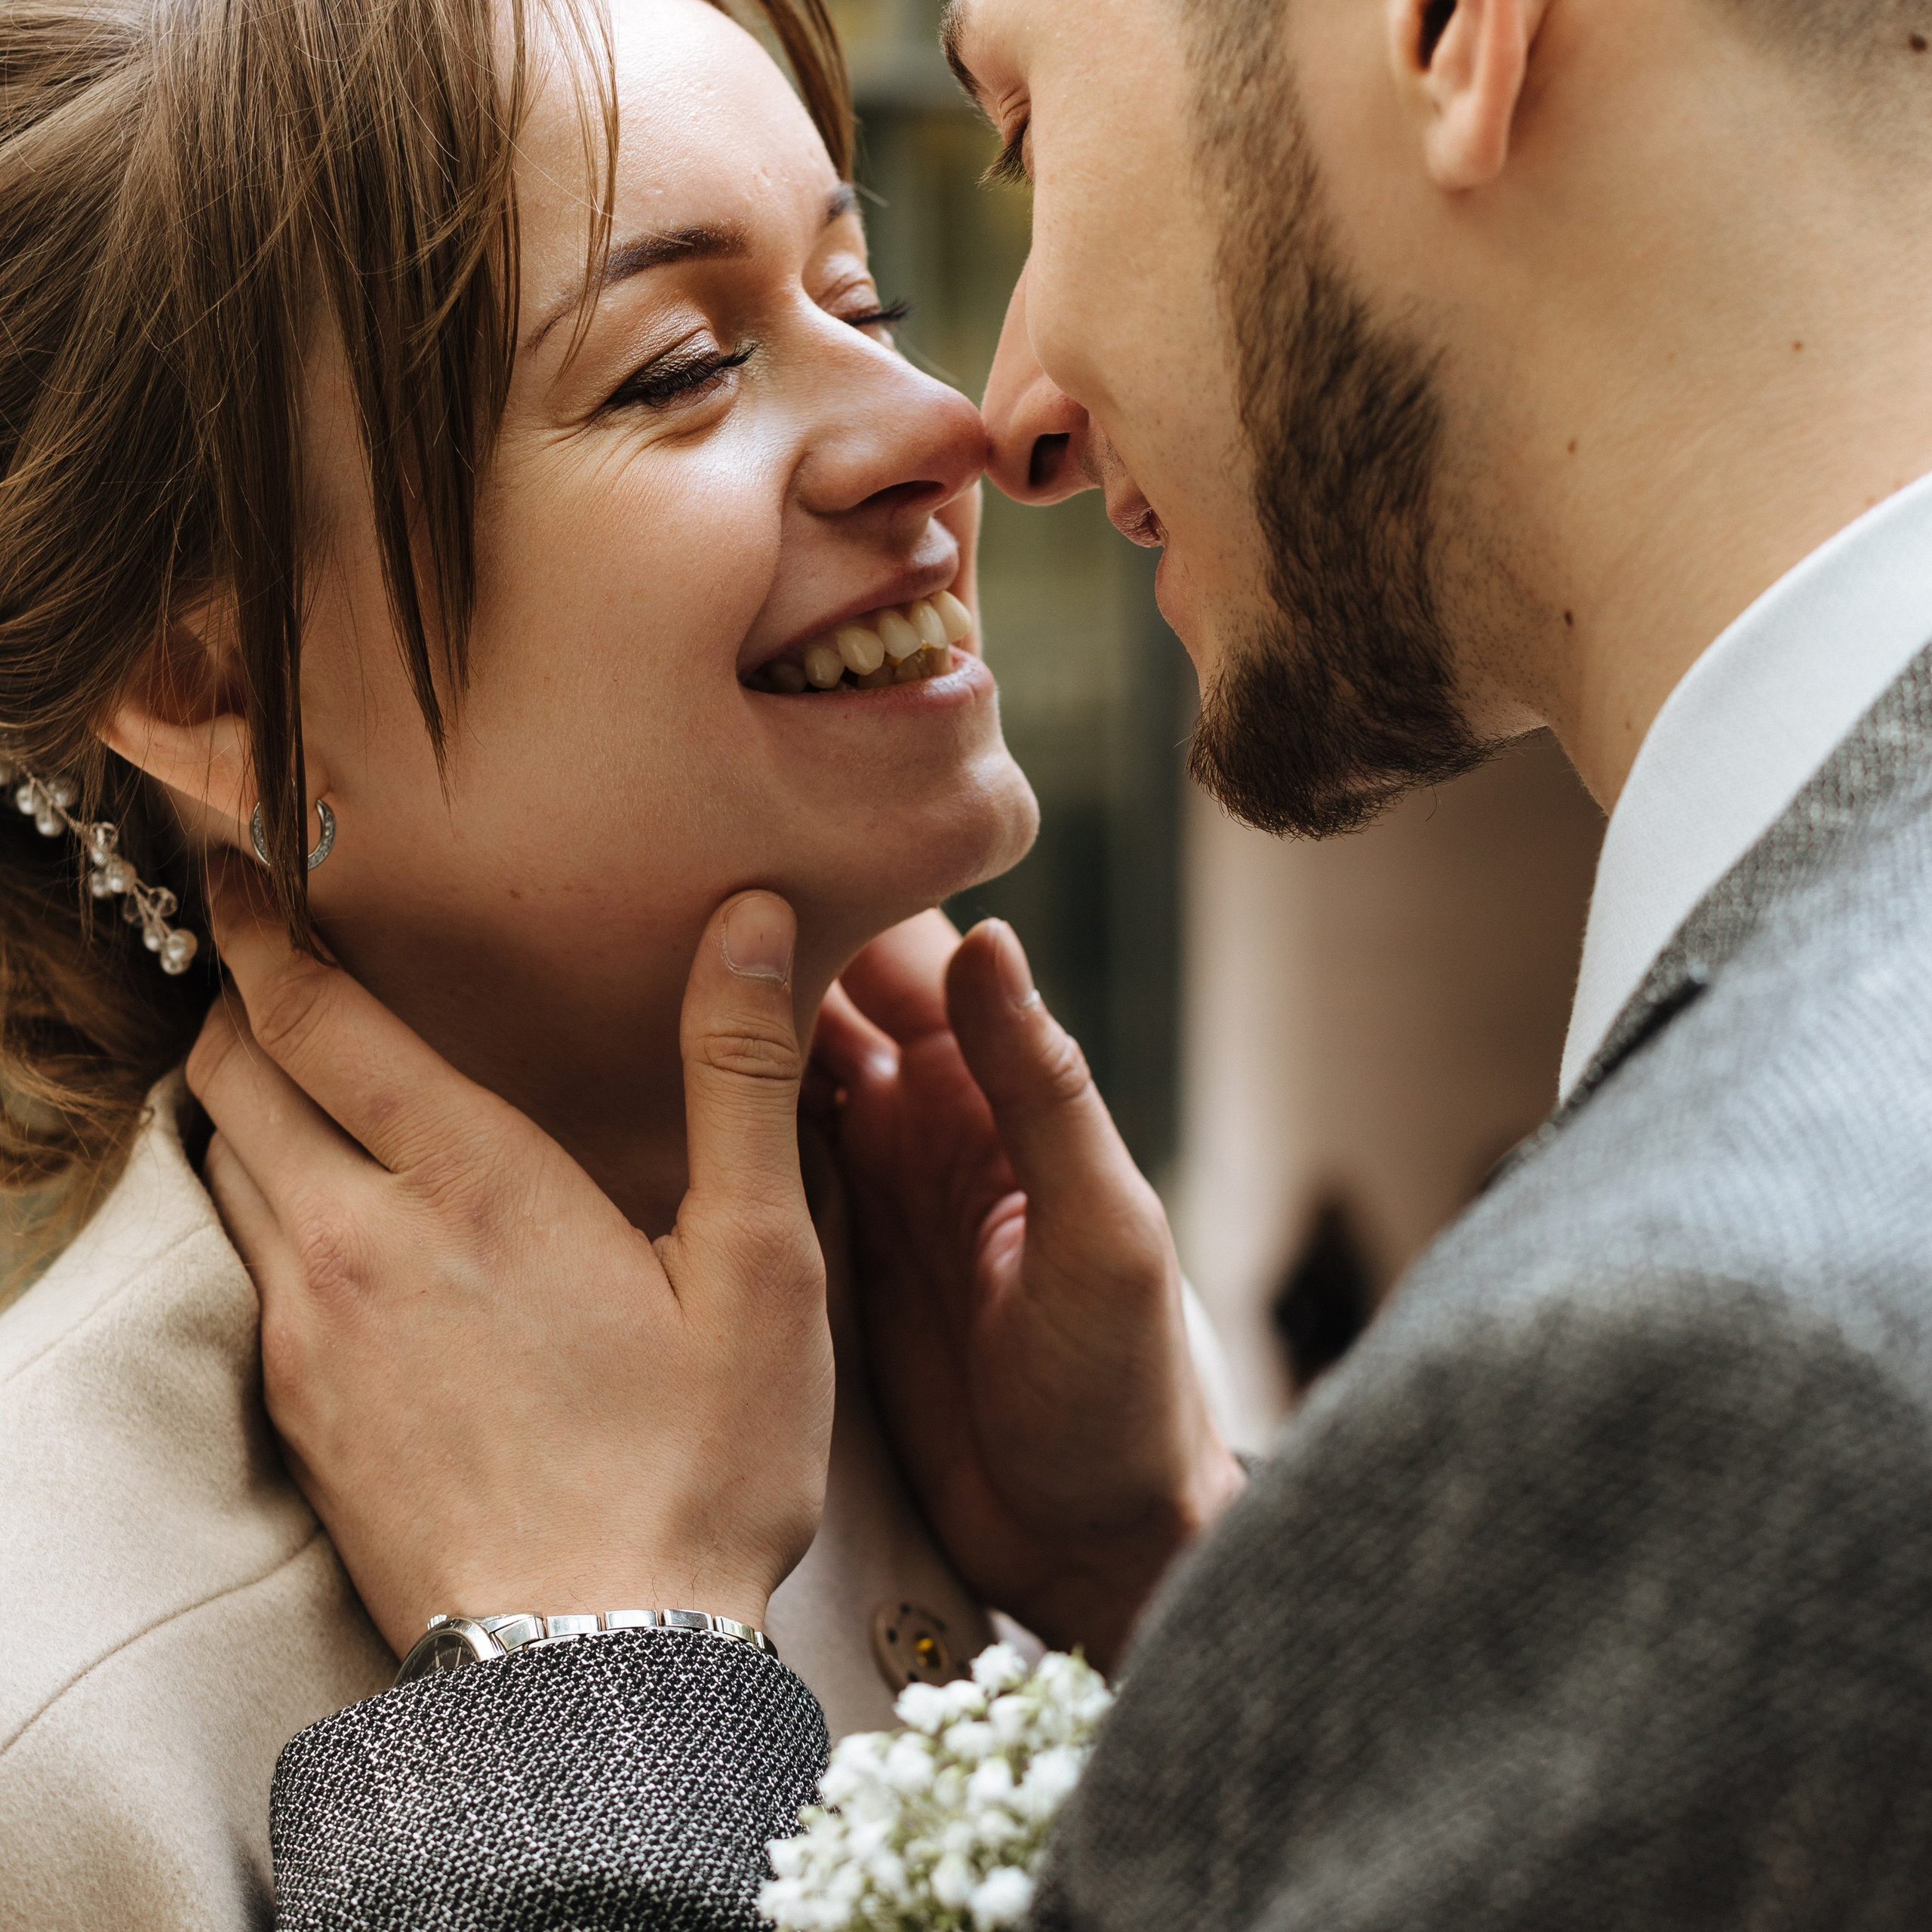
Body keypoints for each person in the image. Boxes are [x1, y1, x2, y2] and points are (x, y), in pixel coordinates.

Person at [141, 0, 1932, 1922]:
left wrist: (573, 1695)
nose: (985, 422)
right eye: (675, 365)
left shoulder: (1743, 1343)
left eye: (1022, 135)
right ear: (209, 681)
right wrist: (1186, 1568)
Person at [0, 0, 1241, 1921]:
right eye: (677, 369)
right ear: (210, 682)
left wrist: (1168, 1570)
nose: (945, 430)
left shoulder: (1033, 1374)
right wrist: (574, 1682)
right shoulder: (63, 1710)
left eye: (870, 298)